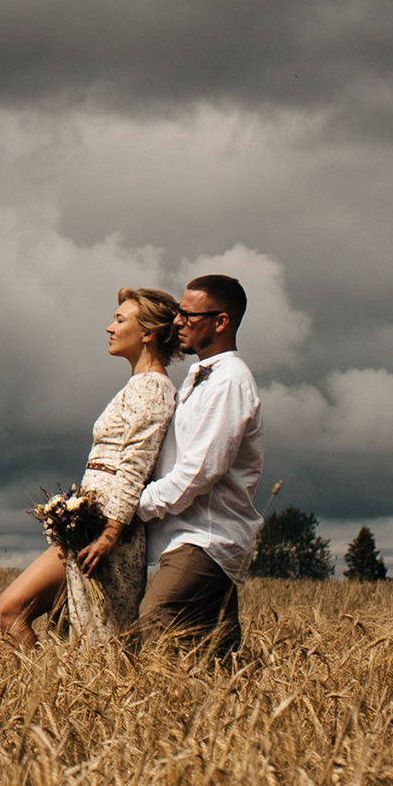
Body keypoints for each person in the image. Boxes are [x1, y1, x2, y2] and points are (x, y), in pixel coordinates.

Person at [0, 288, 182, 647]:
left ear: (148, 333)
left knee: (97, 641)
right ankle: (46, 694)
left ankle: (70, 696)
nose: (109, 327)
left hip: (108, 533)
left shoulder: (154, 389)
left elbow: (134, 468)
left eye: (120, 319)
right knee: (19, 614)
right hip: (86, 527)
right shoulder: (136, 386)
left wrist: (110, 534)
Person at [129, 272, 264, 658]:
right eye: (179, 313)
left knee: (156, 632)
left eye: (189, 316)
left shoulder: (230, 383)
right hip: (187, 538)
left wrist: (133, 509)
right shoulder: (199, 376)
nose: (177, 322)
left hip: (205, 540)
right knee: (217, 662)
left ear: (221, 322)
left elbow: (198, 473)